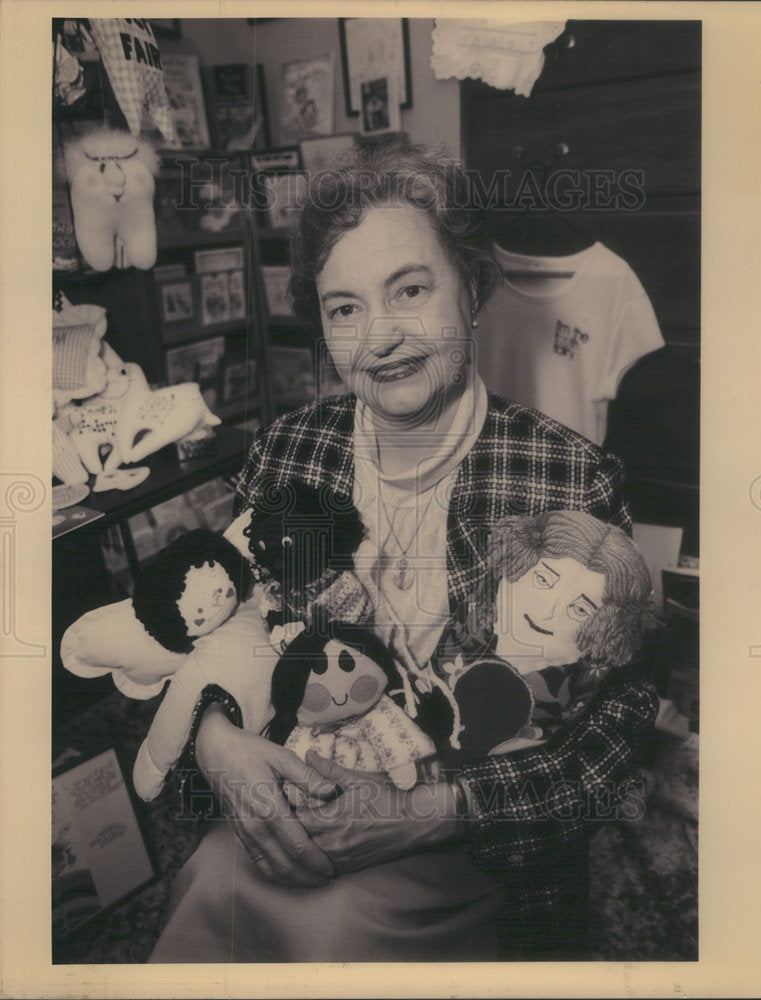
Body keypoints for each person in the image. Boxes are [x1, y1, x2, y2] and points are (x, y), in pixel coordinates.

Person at [149, 140, 657, 962]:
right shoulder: (286, 453)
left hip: (466, 850)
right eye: (344, 308)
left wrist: (430, 811)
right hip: (302, 795)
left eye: (410, 290)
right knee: (210, 889)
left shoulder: (568, 477)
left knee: (334, 934)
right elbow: (212, 625)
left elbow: (614, 735)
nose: (379, 337)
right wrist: (214, 739)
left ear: (474, 292)